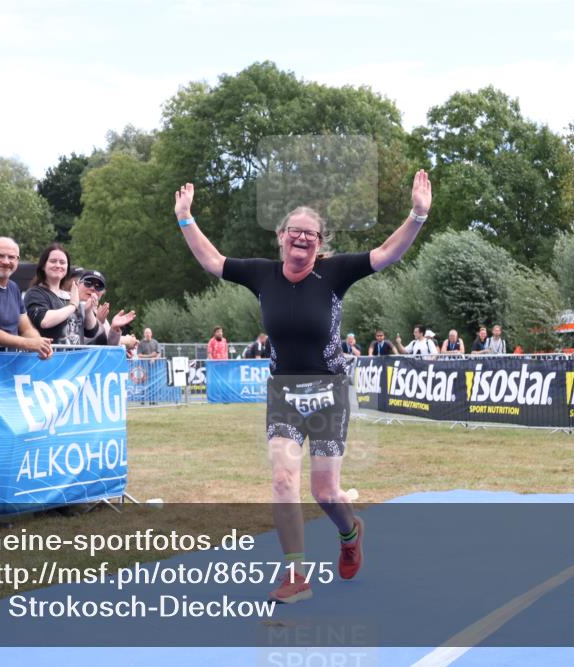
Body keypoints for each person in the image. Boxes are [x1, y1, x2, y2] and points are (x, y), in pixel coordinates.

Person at [174, 168, 432, 603]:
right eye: (296, 231)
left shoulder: (334, 274)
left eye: (312, 234)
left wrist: (418, 215)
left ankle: (350, 533)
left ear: (320, 243)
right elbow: (212, 261)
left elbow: (387, 253)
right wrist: (185, 219)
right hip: (283, 394)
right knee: (282, 479)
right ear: (281, 235)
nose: (303, 239)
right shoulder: (262, 275)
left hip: (329, 391)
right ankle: (297, 574)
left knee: (325, 491)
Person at [23, 245, 121, 345]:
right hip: (50, 358)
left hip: (75, 359)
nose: (58, 265)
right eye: (53, 261)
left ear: (67, 268)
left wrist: (87, 311)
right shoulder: (35, 293)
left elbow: (92, 332)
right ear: (43, 266)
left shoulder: (69, 296)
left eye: (62, 262)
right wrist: (73, 305)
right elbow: (44, 321)